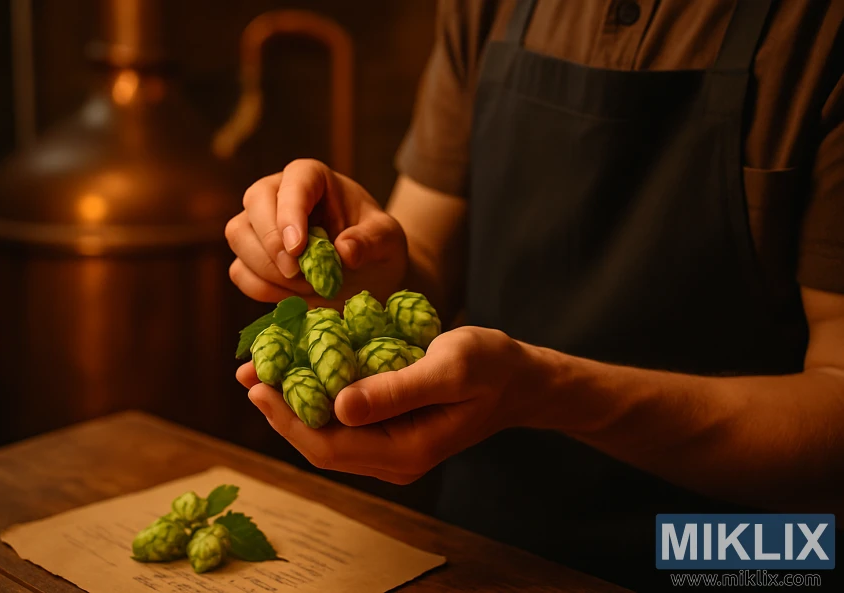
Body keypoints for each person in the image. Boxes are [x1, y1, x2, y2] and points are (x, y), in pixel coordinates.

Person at [225, 0, 844, 589]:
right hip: (488, 545)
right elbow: (428, 261)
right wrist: (371, 269)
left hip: (740, 554)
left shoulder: (821, 30)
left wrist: (548, 390)